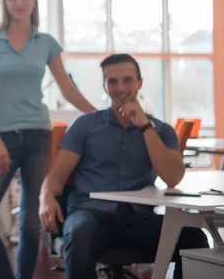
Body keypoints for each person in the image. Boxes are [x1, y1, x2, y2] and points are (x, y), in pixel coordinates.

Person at [39, 54, 209, 279]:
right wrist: (46, 195)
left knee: (194, 238)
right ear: (104, 86)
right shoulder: (85, 126)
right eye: (112, 81)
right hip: (91, 213)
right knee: (79, 231)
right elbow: (58, 174)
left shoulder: (161, 130)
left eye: (127, 80)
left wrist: (145, 126)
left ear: (140, 82)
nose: (120, 88)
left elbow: (172, 177)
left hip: (139, 218)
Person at [0, 0, 96, 279]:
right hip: (1, 139)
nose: (19, 2)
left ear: (34, 1)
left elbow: (67, 89)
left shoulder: (46, 43)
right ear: (4, 1)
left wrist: (99, 115)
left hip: (38, 136)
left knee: (30, 224)